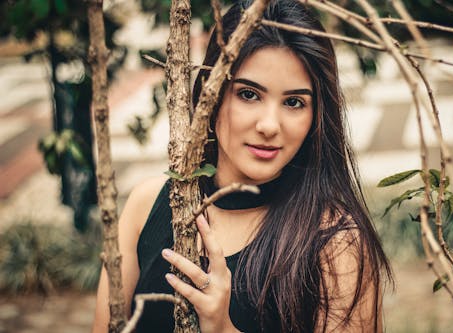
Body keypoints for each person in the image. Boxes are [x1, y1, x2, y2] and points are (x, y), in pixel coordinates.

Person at [92, 0, 392, 332]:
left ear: (317, 115)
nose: (269, 125)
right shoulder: (145, 206)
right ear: (211, 92)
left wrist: (223, 327)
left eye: (294, 102)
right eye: (249, 94)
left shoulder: (336, 242)